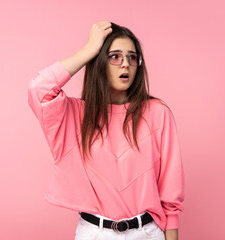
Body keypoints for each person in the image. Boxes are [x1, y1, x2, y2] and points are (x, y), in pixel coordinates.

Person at [27, 20, 185, 240]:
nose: (125, 64)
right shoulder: (76, 115)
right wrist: (89, 50)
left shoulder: (157, 113)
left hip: (147, 233)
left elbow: (170, 187)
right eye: (114, 57)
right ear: (99, 62)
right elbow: (39, 89)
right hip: (95, 234)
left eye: (132, 57)